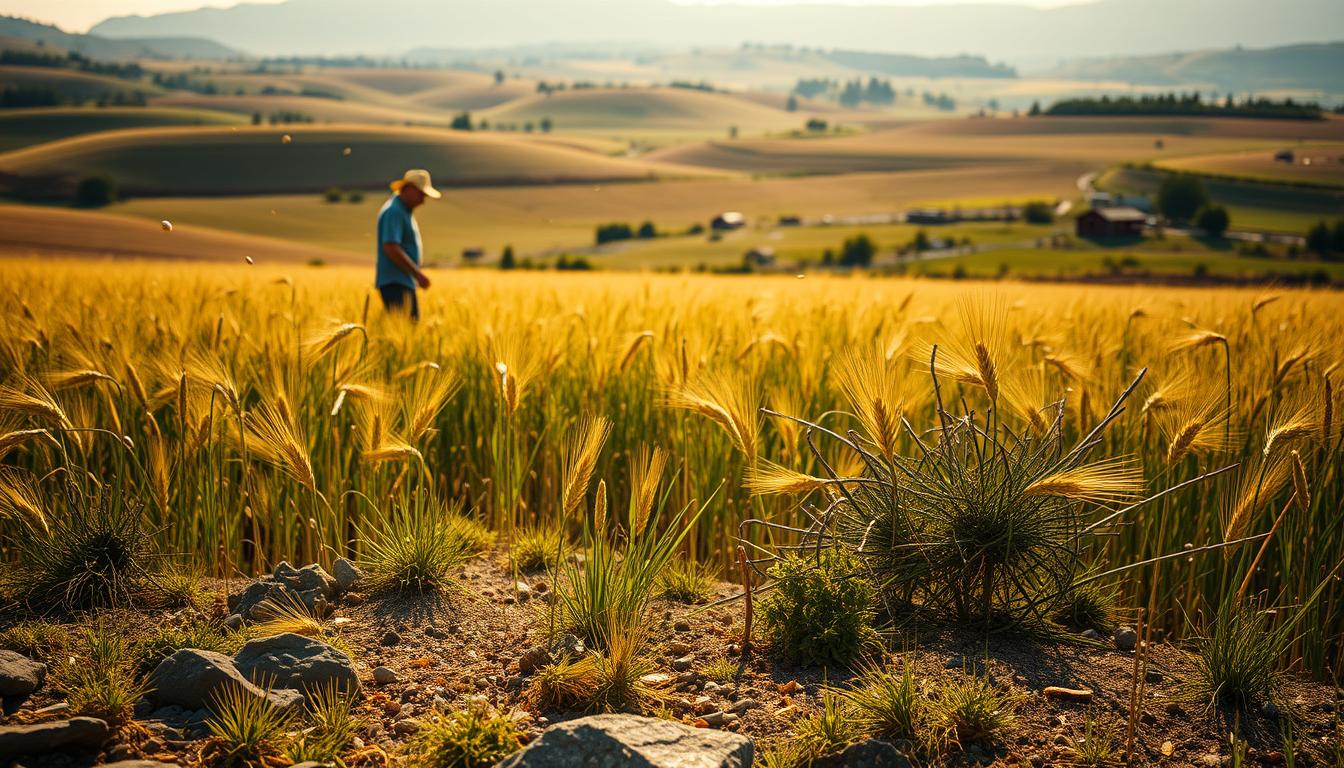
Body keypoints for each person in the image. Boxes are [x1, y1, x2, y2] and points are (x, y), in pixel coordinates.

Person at [376, 169, 440, 320]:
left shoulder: (402, 210)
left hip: (401, 282)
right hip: (396, 283)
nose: (423, 201)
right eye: (421, 194)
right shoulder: (394, 211)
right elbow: (390, 247)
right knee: (408, 325)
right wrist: (417, 274)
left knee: (409, 326)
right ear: (408, 189)